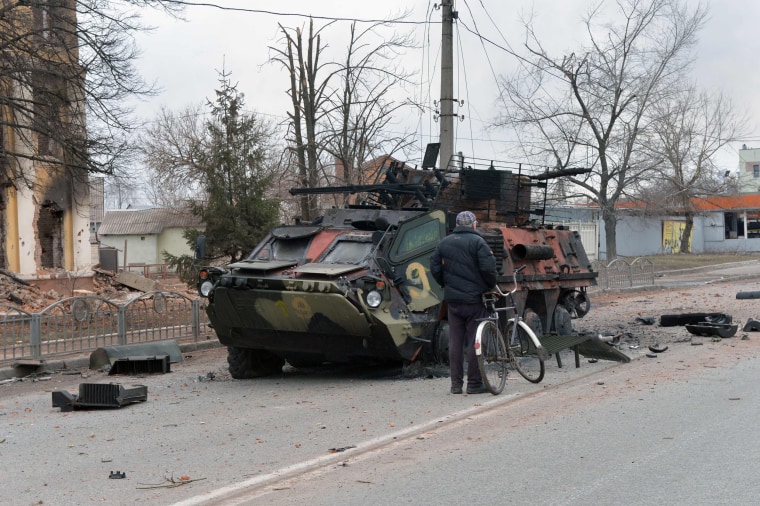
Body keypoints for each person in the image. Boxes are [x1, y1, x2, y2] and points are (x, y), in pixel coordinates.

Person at [430, 210, 498, 394]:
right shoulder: (478, 242)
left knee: (455, 340)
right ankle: (474, 384)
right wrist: (489, 285)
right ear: (474, 224)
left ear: (457, 225)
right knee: (475, 340)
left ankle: (456, 385)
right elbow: (488, 269)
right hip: (474, 300)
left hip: (453, 300)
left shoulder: (444, 242)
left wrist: (446, 283)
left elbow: (434, 267)